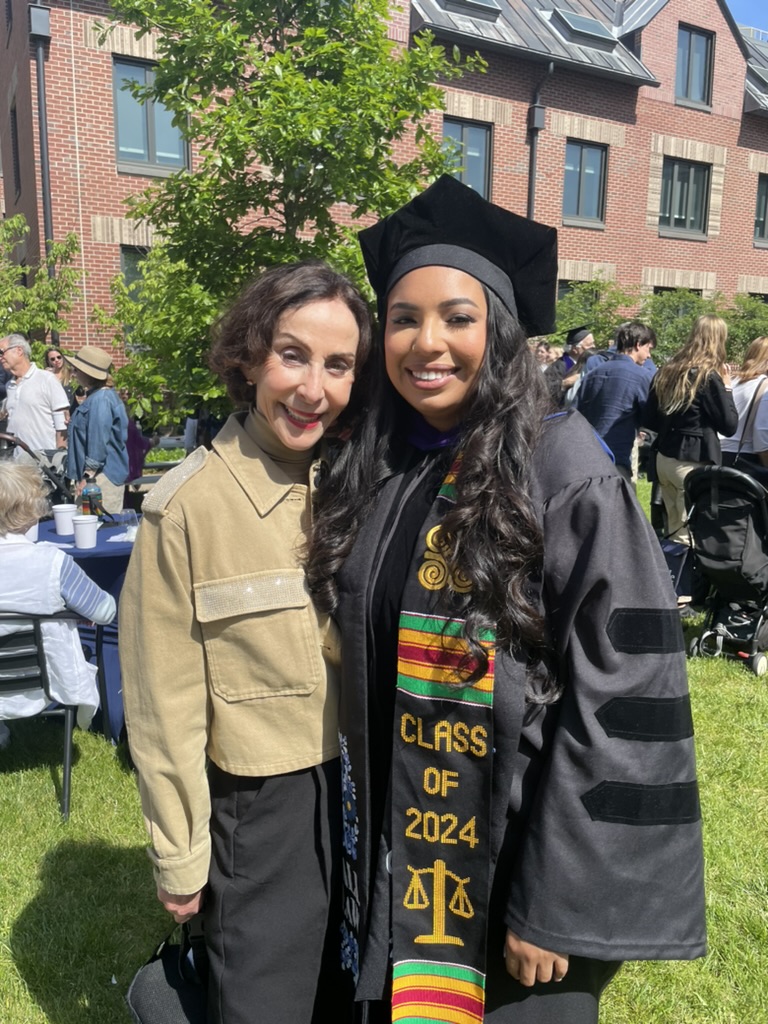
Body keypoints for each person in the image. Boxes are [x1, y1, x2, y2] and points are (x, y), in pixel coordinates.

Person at [307, 176, 706, 1024]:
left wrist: (551, 899)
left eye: (457, 316)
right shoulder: (386, 467)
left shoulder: (566, 471)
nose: (427, 343)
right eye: (405, 319)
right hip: (403, 857)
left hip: (516, 874)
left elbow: (622, 700)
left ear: (501, 329)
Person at [119, 261, 372, 1024]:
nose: (312, 389)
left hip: (365, 793)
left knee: (346, 994)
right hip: (264, 807)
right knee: (267, 1004)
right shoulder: (187, 508)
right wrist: (179, 855)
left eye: (338, 365)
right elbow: (163, 705)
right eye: (292, 355)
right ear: (250, 355)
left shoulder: (356, 486)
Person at [0, 463, 116, 749]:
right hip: (44, 686)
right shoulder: (53, 562)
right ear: (29, 510)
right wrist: (70, 612)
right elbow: (105, 612)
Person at [643, 315, 738, 545]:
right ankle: (683, 580)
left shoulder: (667, 370)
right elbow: (729, 426)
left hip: (664, 458)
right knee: (691, 536)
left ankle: (671, 577)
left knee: (673, 530)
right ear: (718, 340)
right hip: (692, 462)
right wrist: (727, 388)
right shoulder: (707, 376)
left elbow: (650, 418)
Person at [575, 321, 656, 482]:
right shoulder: (641, 376)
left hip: (588, 455)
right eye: (649, 348)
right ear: (638, 344)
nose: (649, 356)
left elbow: (575, 412)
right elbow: (651, 417)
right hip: (617, 458)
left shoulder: (593, 374)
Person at [65, 346, 129, 514]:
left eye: (76, 369)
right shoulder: (98, 397)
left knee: (97, 534)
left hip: (101, 479)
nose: (73, 373)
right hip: (97, 477)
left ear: (88, 374)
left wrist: (88, 478)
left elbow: (98, 442)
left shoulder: (101, 399)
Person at [0, 335, 69, 455]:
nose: (0, 357)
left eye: (1, 352)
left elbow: (62, 422)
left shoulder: (47, 379)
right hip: (16, 463)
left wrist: (59, 457)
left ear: (19, 350)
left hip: (43, 462)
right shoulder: (9, 386)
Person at [719, 336, 768, 483]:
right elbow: (762, 435)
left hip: (718, 457)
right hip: (747, 460)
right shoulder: (765, 386)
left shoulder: (730, 382)